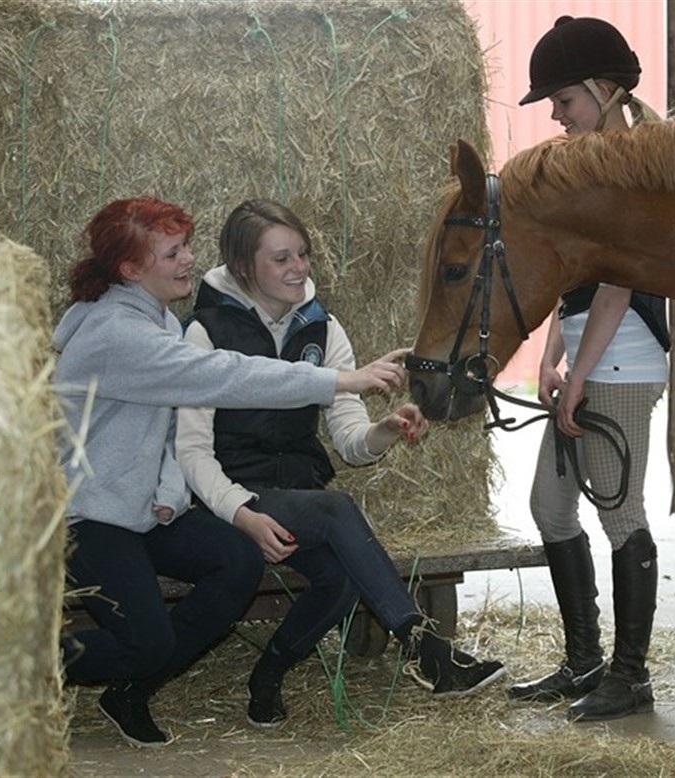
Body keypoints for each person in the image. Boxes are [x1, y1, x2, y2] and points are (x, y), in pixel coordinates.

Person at [56, 196, 414, 748]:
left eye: (185, 246)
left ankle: (130, 691)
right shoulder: (118, 335)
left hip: (142, 511)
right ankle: (20, 664)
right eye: (172, 253)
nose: (189, 260)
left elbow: (171, 431)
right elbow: (226, 375)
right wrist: (341, 380)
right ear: (130, 269)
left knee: (236, 560)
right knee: (147, 643)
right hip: (89, 517)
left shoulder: (154, 317)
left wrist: (170, 492)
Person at [175, 198, 505, 728]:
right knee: (335, 510)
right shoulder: (205, 332)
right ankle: (425, 649)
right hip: (229, 497)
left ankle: (269, 675)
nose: (299, 268)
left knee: (343, 578)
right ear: (242, 267)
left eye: (303, 253)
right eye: (281, 258)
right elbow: (190, 452)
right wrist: (241, 513)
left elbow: (350, 441)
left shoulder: (323, 327)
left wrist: (385, 429)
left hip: (294, 495)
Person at [507, 16, 670, 722]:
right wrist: (552, 354)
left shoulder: (636, 171)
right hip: (588, 355)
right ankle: (584, 660)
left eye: (564, 100)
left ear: (606, 91)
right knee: (549, 507)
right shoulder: (589, 170)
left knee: (620, 511)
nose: (556, 115)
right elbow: (573, 279)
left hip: (624, 360)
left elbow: (618, 287)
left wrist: (577, 375)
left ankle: (631, 677)